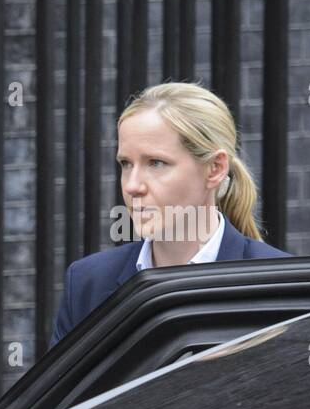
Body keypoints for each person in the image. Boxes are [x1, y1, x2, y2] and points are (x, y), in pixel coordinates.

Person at [50, 82, 290, 347]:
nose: (132, 185)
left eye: (156, 163)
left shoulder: (280, 285)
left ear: (214, 169)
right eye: (125, 164)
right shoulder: (88, 284)